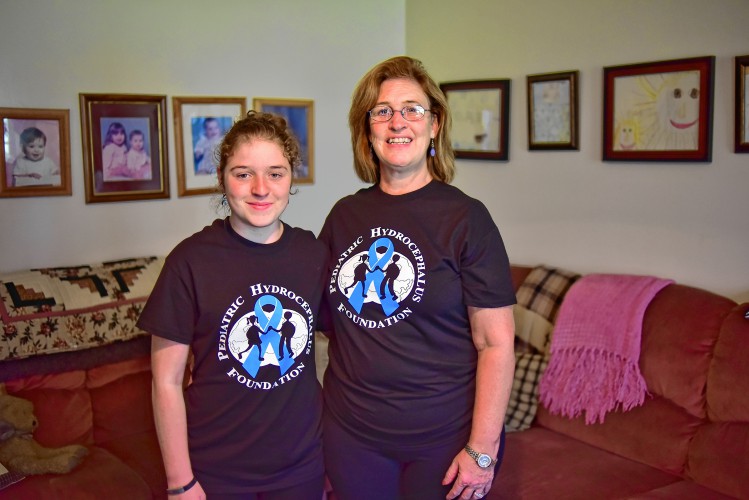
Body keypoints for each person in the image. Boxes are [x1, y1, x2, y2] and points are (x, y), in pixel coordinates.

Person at [318, 55, 516, 500]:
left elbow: (496, 343)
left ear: (434, 125)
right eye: (382, 111)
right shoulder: (344, 217)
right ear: (366, 129)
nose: (397, 123)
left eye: (412, 109)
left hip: (445, 442)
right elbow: (325, 319)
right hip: (352, 437)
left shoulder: (467, 219)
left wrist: (482, 449)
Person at [137, 110, 328, 499]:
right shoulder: (189, 261)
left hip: (302, 465)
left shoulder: (313, 254)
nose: (261, 188)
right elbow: (166, 382)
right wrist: (180, 482)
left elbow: (355, 342)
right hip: (216, 471)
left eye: (275, 173)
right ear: (223, 179)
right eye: (243, 174)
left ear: (291, 178)